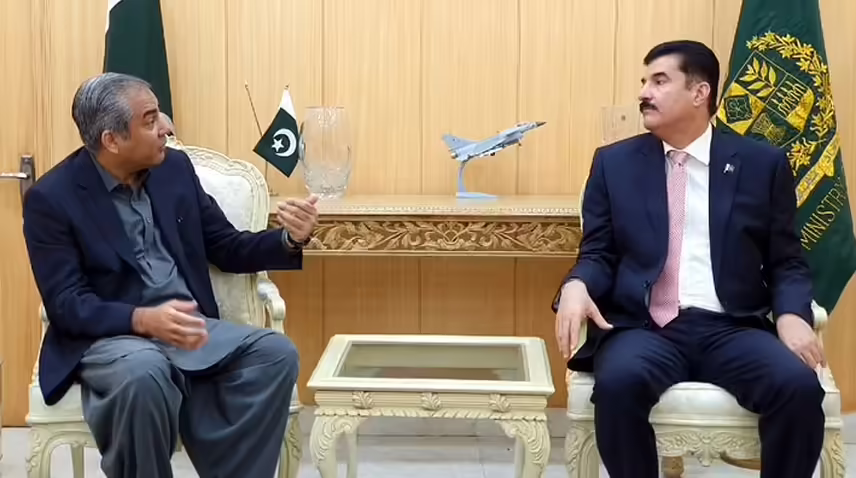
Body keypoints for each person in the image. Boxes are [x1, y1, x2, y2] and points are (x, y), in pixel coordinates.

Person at [22, 72, 319, 478]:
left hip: (188, 327)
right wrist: (141, 319)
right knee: (145, 373)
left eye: (159, 113)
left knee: (275, 353)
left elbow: (227, 246)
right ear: (112, 140)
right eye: (150, 120)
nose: (166, 127)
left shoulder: (174, 169)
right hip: (113, 338)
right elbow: (67, 304)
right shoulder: (52, 199)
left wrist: (289, 239)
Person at [553, 40, 825, 478]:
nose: (644, 92)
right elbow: (599, 251)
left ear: (700, 93)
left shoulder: (762, 165)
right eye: (644, 81)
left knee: (798, 387)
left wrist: (793, 315)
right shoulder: (614, 164)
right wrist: (576, 285)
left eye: (659, 81)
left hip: (731, 327)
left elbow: (786, 261)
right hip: (645, 328)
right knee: (618, 385)